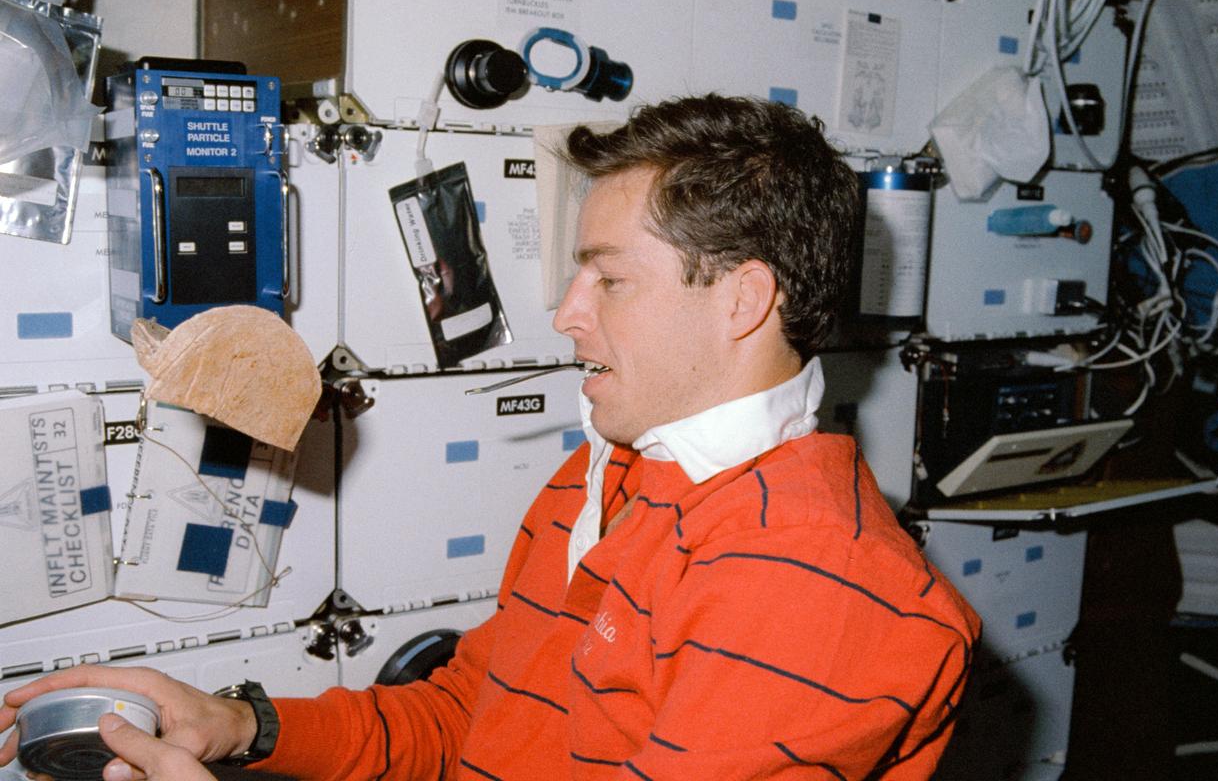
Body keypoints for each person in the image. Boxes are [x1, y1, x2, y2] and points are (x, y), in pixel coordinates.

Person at [0, 94, 980, 780]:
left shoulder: (815, 580)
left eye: (607, 278)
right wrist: (240, 724)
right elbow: (468, 718)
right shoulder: (603, 474)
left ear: (742, 298)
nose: (562, 313)